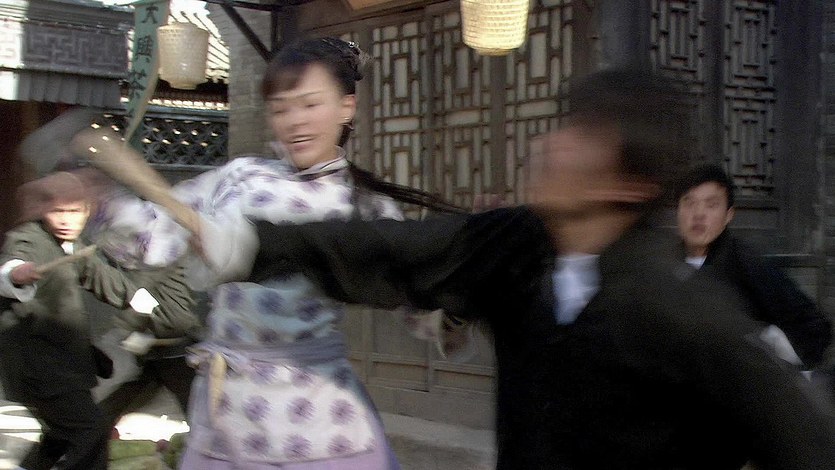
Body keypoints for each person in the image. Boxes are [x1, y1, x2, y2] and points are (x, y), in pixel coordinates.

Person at [240, 69, 835, 469]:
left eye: (583, 136)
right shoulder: (518, 245)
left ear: (630, 183)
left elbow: (803, 439)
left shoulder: (680, 311)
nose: (552, 145)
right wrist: (247, 243)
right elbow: (392, 248)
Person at [78, 37, 462, 470]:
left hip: (317, 416)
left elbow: (415, 304)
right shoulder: (240, 177)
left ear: (346, 107)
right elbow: (153, 237)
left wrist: (459, 299)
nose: (295, 121)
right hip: (229, 411)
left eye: (310, 104)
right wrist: (100, 201)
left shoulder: (366, 207)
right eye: (281, 109)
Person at [0, 171, 162, 470]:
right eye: (57, 211)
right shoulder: (29, 238)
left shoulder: (72, 245)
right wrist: (16, 273)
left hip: (62, 362)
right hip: (38, 366)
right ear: (43, 211)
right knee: (91, 429)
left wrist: (146, 303)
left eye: (74, 211)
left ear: (87, 210)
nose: (66, 220)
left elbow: (102, 277)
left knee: (62, 433)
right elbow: (13, 264)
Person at [674, 163, 832, 368]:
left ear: (728, 215)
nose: (698, 214)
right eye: (689, 203)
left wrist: (765, 352)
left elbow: (814, 328)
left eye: (711, 205)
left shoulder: (748, 265)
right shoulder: (660, 262)